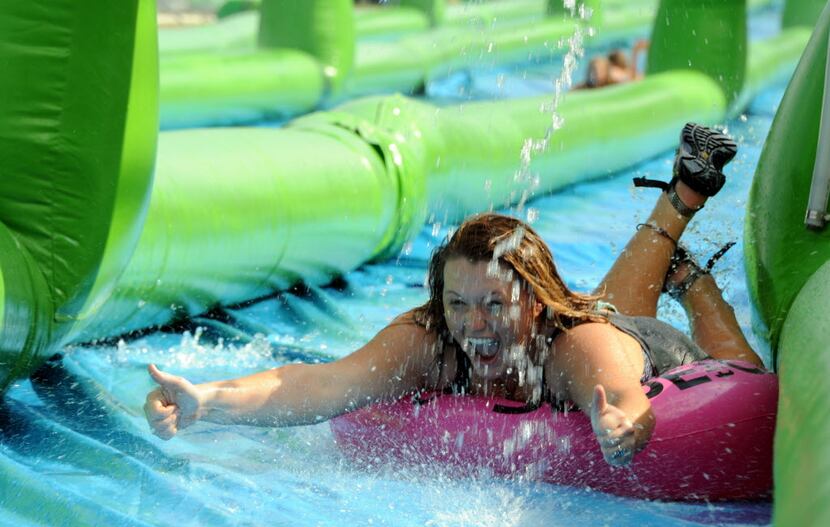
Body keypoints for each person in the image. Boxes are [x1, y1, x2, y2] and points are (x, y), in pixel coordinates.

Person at [145, 123, 764, 467]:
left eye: (496, 305)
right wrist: (209, 400)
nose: (475, 325)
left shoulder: (576, 347)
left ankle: (693, 279)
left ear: (534, 303)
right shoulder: (430, 342)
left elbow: (625, 397)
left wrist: (623, 424)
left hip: (656, 351)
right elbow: (326, 383)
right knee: (605, 300)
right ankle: (680, 204)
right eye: (459, 303)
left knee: (638, 324)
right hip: (587, 313)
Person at [577, 39, 650, 89]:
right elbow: (633, 80)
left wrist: (635, 51)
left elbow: (632, 80)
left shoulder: (613, 73)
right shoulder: (613, 73)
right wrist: (635, 52)